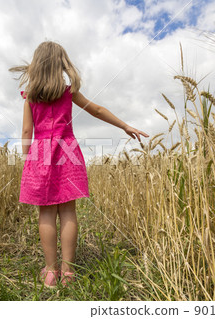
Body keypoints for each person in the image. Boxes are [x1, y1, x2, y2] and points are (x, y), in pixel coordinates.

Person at [9, 41, 148, 288]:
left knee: (46, 213)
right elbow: (96, 109)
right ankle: (69, 273)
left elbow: (27, 130)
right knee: (68, 211)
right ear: (61, 64)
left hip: (40, 154)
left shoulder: (29, 97)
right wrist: (124, 125)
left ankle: (51, 272)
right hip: (68, 152)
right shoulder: (68, 92)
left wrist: (27, 159)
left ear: (36, 66)